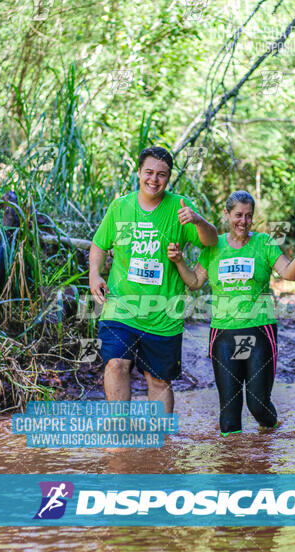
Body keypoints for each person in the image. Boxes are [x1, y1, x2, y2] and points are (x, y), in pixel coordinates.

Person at [167, 190, 295, 436]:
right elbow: (195, 281)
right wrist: (178, 261)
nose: (243, 221)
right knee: (229, 415)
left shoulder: (264, 243)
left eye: (249, 216)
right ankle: (234, 472)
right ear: (227, 214)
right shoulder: (214, 246)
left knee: (258, 405)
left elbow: (289, 273)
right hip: (224, 334)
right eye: (238, 215)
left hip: (260, 331)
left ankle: (271, 436)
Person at [89, 146, 218, 412]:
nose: (154, 180)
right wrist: (94, 275)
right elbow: (100, 244)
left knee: (158, 380)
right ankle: (119, 434)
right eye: (149, 172)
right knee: (116, 364)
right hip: (121, 306)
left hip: (163, 313)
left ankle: (161, 448)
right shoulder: (120, 206)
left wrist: (198, 221)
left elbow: (212, 241)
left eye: (162, 175)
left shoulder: (180, 207)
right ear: (138, 173)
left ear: (168, 178)